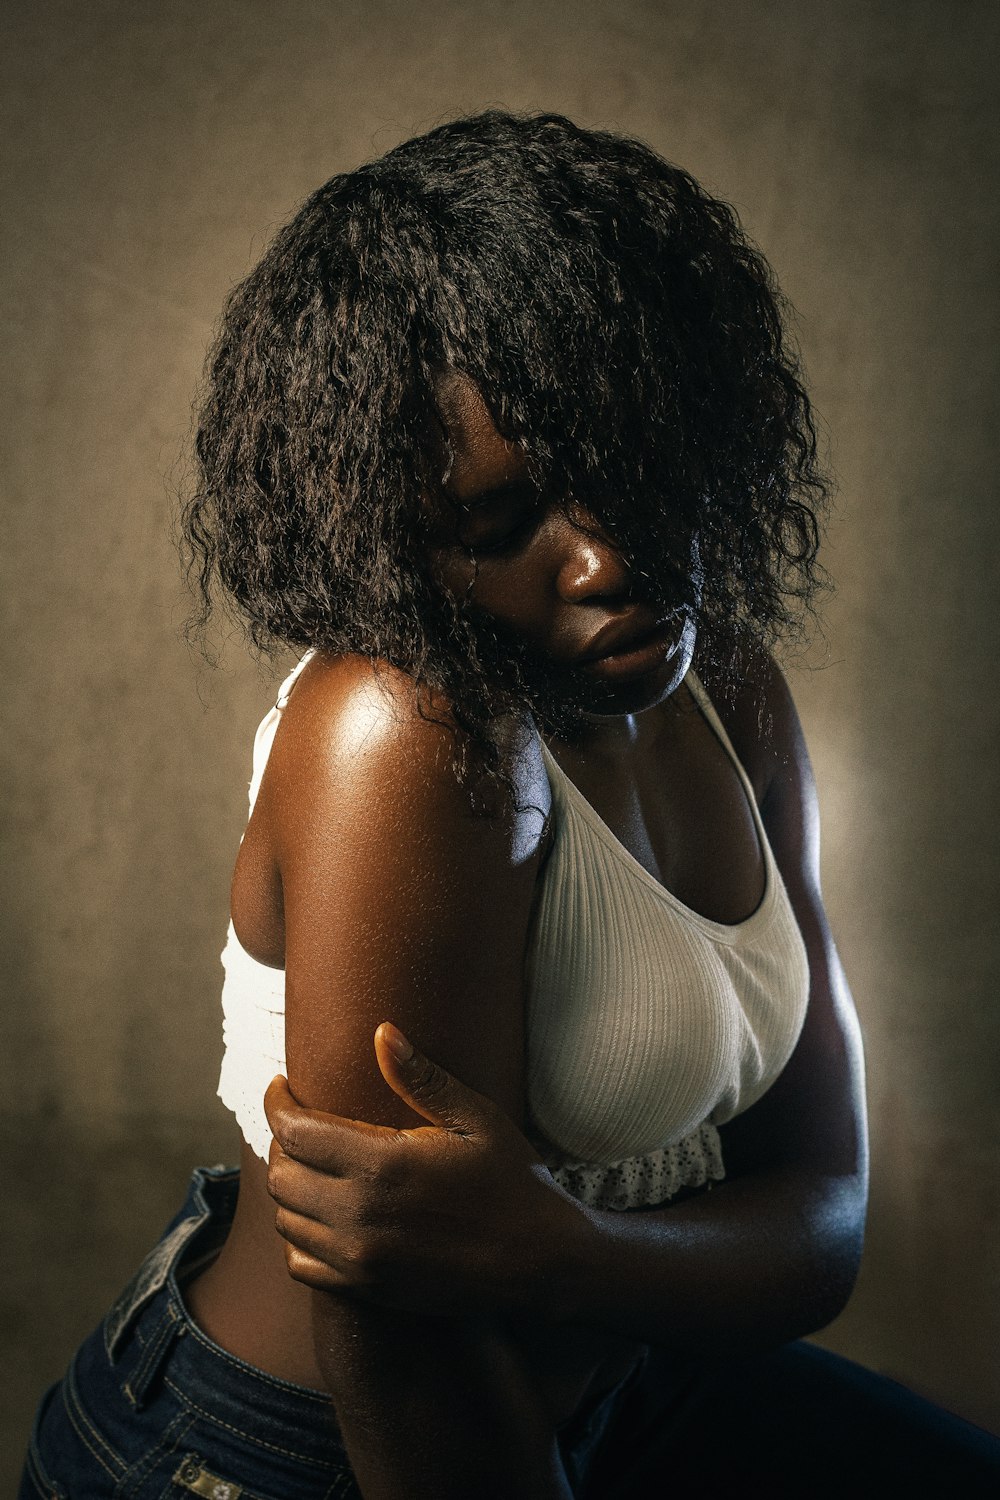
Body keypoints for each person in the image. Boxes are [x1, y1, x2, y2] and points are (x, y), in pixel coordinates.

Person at [19, 110, 1000, 1499]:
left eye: (633, 465)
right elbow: (401, 1346)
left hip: (626, 1383)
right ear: (398, 537)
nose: (611, 556)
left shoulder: (727, 685)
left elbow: (825, 1223)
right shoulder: (406, 736)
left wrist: (551, 1249)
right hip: (302, 1455)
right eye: (504, 524)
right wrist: (598, 1267)